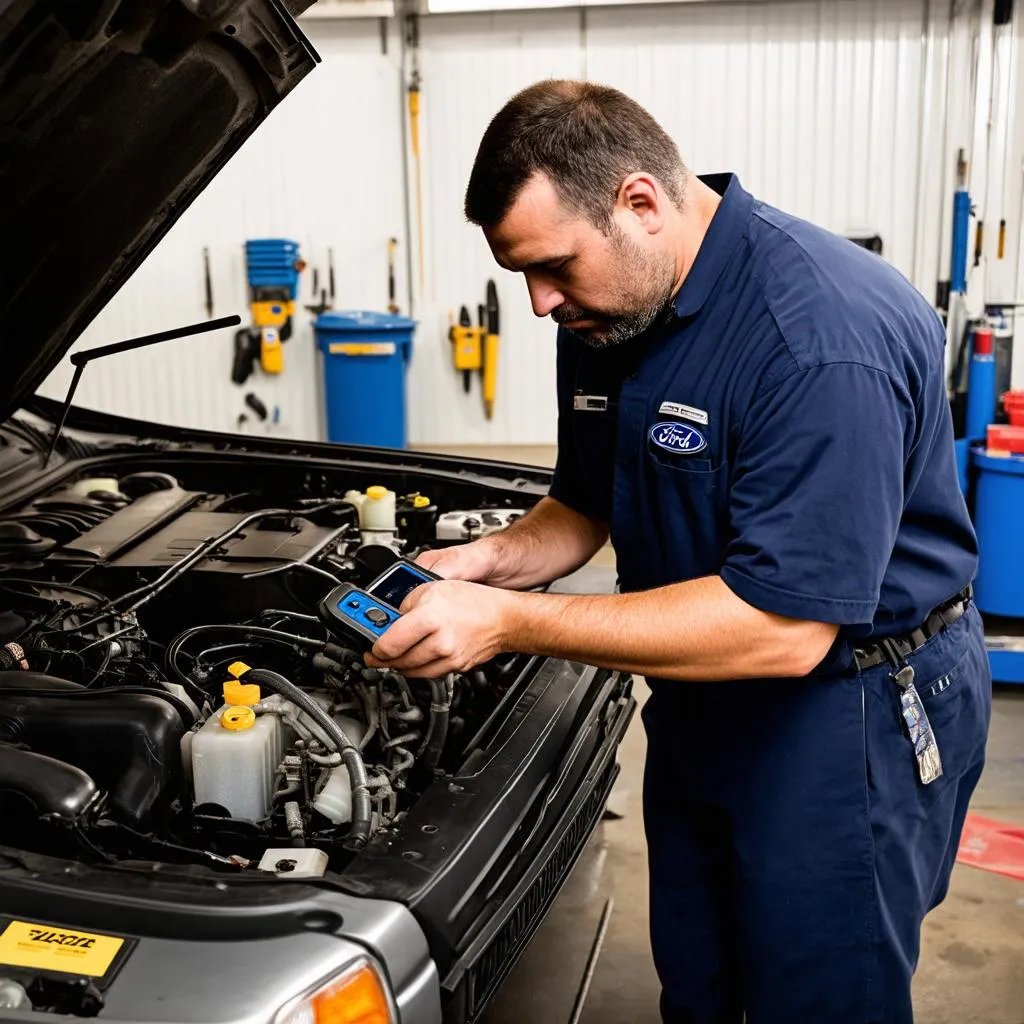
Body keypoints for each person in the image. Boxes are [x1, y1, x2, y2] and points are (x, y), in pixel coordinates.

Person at [365, 80, 991, 1024]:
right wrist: (488, 564)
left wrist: (512, 623)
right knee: (701, 986)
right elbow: (581, 504)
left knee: (819, 1000)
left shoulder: (815, 338)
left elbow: (785, 630)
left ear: (640, 203)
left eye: (553, 266)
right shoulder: (610, 308)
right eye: (521, 275)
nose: (538, 304)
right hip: (703, 698)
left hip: (847, 714)